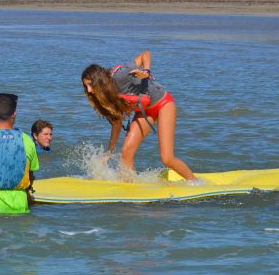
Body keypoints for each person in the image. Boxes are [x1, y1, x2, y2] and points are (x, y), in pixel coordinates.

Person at [81, 50, 198, 181]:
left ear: (99, 80)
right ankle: (129, 186)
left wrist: (146, 72)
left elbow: (145, 54)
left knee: (167, 158)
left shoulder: (120, 76)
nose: (89, 90)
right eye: (86, 87)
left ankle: (195, 182)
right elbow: (116, 123)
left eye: (90, 85)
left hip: (164, 104)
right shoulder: (104, 98)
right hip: (145, 112)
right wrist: (110, 151)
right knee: (126, 152)